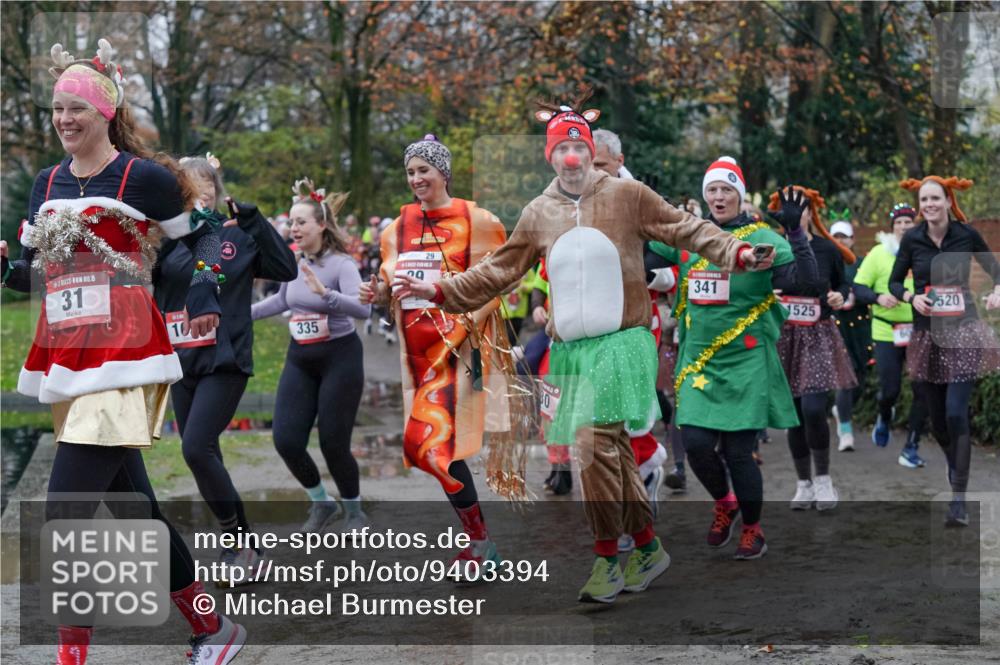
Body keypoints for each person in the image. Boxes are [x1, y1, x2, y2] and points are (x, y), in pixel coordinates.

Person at [390, 90, 776, 603]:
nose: (570, 157)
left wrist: (737, 251)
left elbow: (685, 228)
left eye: (579, 146)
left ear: (590, 149)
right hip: (572, 351)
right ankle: (645, 546)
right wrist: (434, 290)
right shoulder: (539, 211)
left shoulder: (626, 195)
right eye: (560, 148)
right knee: (611, 452)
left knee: (592, 446)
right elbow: (498, 272)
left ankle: (605, 560)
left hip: (624, 342)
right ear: (549, 155)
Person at [1, 40, 244, 664]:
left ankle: (71, 657)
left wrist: (203, 290)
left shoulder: (147, 180)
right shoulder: (46, 183)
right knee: (135, 505)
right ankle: (214, 628)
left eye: (75, 107)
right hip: (69, 354)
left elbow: (207, 242)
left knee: (65, 516)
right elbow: (34, 274)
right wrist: (6, 271)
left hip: (126, 351)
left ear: (104, 112)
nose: (63, 119)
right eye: (56, 109)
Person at [360, 135, 514, 572]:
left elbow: (499, 279)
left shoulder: (477, 219)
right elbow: (392, 283)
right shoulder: (397, 227)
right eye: (410, 172)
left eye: (423, 170)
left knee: (435, 445)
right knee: (435, 448)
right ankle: (480, 540)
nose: (416, 179)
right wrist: (377, 292)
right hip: (418, 355)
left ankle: (481, 545)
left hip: (461, 350)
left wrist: (466, 320)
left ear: (442, 172)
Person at [651, 158, 818, 559]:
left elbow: (807, 283)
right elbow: (643, 251)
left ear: (739, 194)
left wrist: (795, 232)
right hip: (698, 361)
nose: (719, 196)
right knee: (694, 444)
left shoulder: (761, 238)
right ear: (705, 194)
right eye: (712, 189)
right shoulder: (692, 234)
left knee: (739, 452)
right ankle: (725, 503)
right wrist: (641, 202)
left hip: (745, 360)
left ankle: (754, 529)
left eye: (727, 189)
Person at [153, 154, 296, 582]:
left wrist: (256, 223)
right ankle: (246, 548)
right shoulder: (166, 240)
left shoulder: (234, 236)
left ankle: (237, 541)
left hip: (224, 359)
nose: (204, 194)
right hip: (182, 361)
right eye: (194, 188)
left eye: (210, 187)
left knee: (195, 447)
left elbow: (285, 268)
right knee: (204, 453)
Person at [251, 179, 371, 534]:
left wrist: (326, 294)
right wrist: (240, 314)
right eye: (290, 222)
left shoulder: (342, 265)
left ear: (321, 224)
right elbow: (281, 301)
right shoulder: (294, 261)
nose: (293, 228)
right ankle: (321, 501)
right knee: (286, 439)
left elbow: (362, 310)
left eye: (300, 222)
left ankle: (354, 512)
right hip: (300, 358)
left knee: (333, 443)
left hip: (340, 358)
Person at [889, 176, 1000, 526]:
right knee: (938, 423)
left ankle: (959, 498)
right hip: (926, 337)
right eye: (925, 199)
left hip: (964, 332)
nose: (930, 204)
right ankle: (956, 469)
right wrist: (911, 296)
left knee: (956, 414)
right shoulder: (913, 239)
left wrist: (998, 291)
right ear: (920, 205)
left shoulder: (965, 235)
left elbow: (996, 271)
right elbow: (895, 281)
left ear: (949, 201)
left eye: (936, 198)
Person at [769, 187, 857, 511]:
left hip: (818, 334)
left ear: (810, 212)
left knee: (813, 409)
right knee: (793, 415)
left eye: (800, 207)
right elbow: (760, 283)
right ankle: (803, 483)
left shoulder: (826, 248)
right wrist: (769, 298)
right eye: (785, 207)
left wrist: (839, 296)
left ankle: (823, 480)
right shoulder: (772, 247)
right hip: (784, 336)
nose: (794, 213)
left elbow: (843, 283)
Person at [852, 203, 928, 467]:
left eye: (909, 222)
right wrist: (877, 297)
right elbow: (858, 287)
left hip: (919, 329)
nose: (904, 227)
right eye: (899, 223)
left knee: (922, 389)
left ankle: (912, 446)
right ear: (893, 227)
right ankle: (884, 415)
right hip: (886, 330)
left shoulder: (924, 252)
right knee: (890, 389)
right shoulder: (879, 253)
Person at [828, 215, 873, 451]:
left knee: (861, 377)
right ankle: (845, 430)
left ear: (853, 240)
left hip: (861, 327)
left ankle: (841, 410)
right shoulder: (827, 261)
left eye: (844, 237)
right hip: (837, 327)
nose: (840, 241)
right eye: (836, 237)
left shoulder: (863, 263)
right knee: (845, 379)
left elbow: (869, 287)